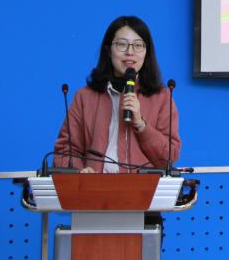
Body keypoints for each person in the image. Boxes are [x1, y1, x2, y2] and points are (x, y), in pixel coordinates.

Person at [54, 15, 181, 173]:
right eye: (122, 44)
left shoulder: (161, 97)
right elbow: (65, 151)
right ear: (108, 50)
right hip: (94, 186)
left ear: (146, 52)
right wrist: (80, 172)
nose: (130, 52)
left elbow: (169, 156)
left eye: (138, 45)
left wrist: (141, 124)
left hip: (143, 187)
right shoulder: (84, 97)